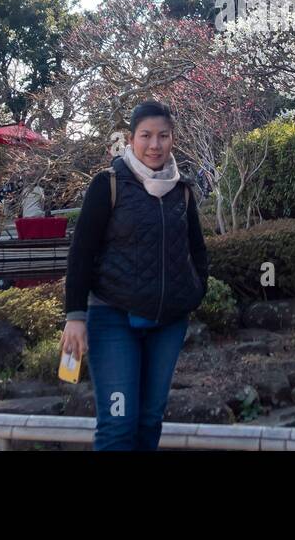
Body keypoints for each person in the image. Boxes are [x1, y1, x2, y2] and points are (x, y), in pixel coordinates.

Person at [61, 100, 209, 451]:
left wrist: (195, 291)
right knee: (119, 423)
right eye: (146, 136)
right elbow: (81, 252)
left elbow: (197, 249)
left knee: (149, 421)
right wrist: (75, 315)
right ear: (131, 139)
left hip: (168, 322)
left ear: (173, 139)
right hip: (112, 318)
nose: (154, 145)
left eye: (163, 136)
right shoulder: (108, 185)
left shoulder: (182, 190)